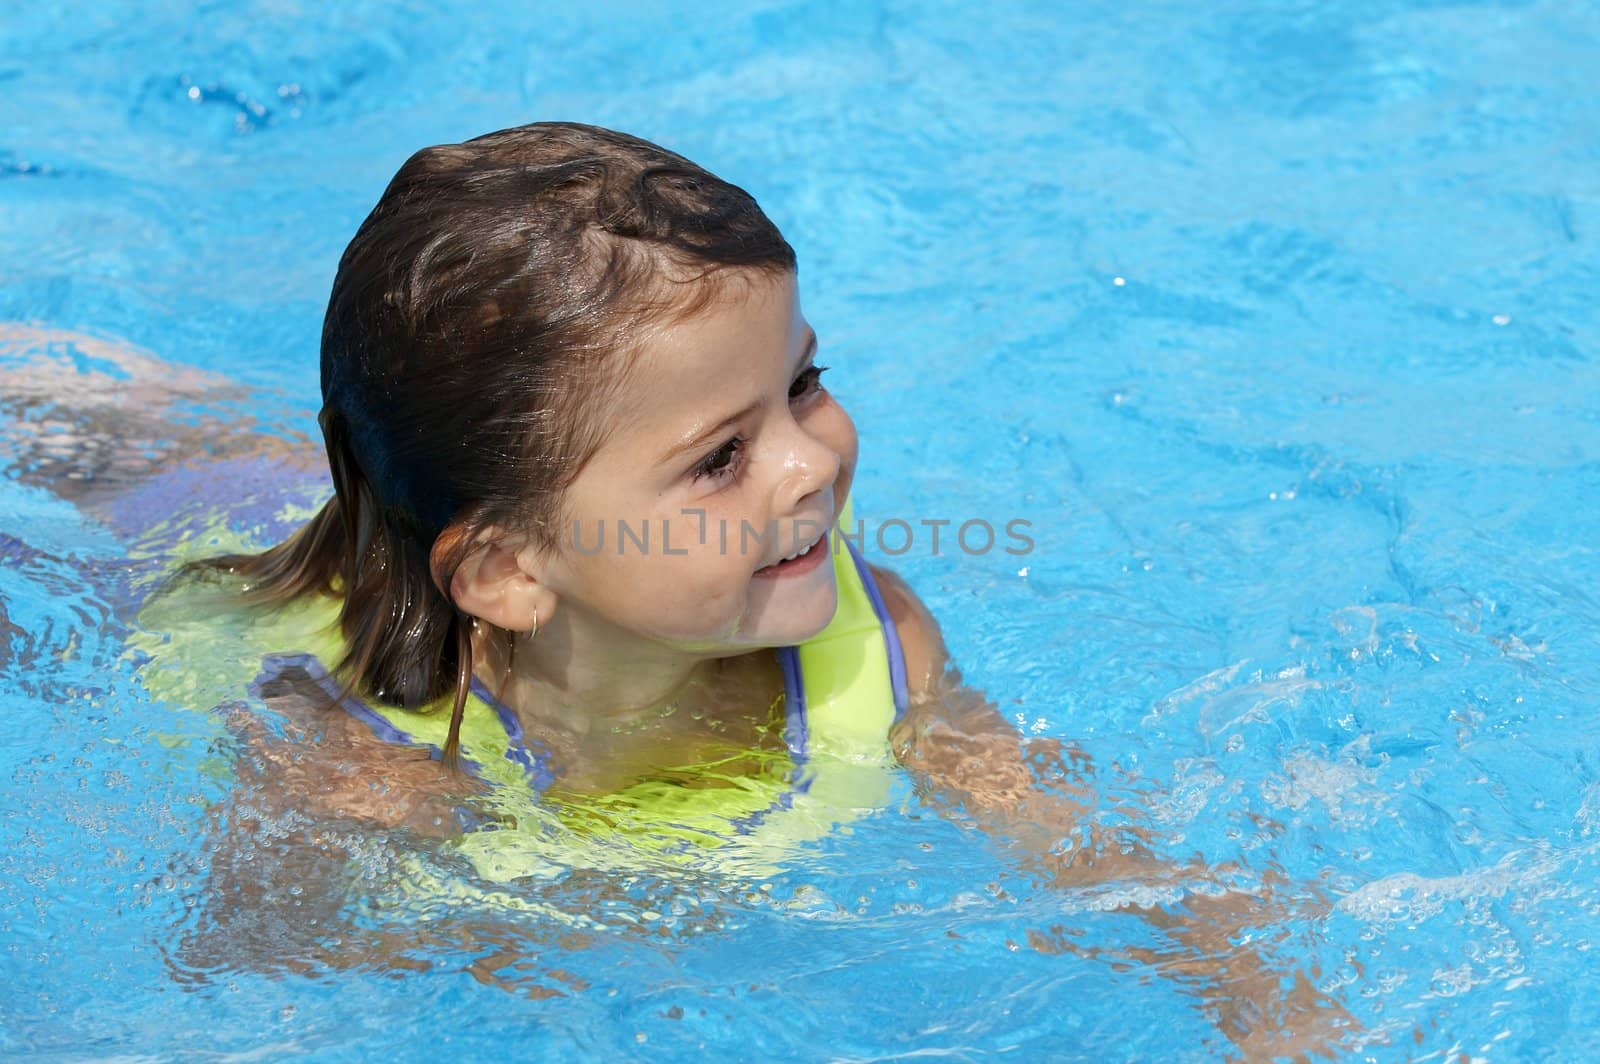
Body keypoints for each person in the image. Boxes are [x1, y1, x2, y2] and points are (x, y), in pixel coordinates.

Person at [4, 123, 1355, 1056]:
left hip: (437, 516)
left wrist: (1267, 1003)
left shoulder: (875, 649)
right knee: (131, 466)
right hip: (189, 559)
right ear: (517, 576)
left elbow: (1099, 858)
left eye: (803, 388)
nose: (810, 464)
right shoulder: (360, 775)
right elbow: (239, 1002)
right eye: (720, 457)